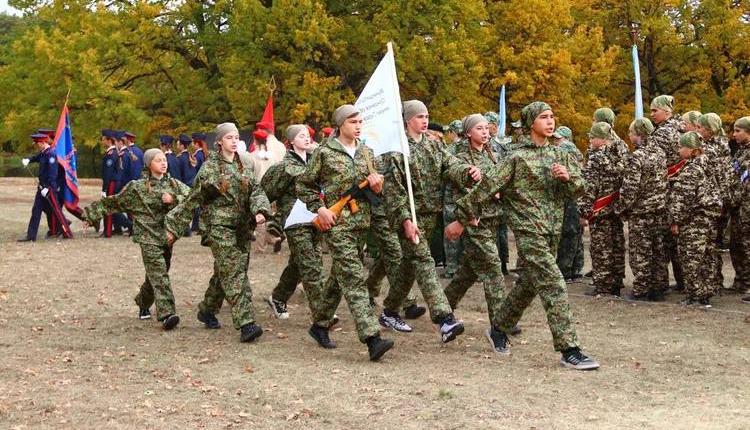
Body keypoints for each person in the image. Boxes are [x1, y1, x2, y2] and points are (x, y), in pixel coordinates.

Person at [446, 101, 599, 370]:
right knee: (553, 283)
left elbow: (579, 189)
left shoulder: (560, 154)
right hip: (528, 232)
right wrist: (461, 219)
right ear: (531, 124)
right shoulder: (516, 157)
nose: (550, 122)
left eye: (552, 116)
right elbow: (486, 188)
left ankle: (499, 328)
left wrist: (569, 179)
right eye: (544, 117)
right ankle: (569, 348)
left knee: (529, 283)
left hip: (553, 230)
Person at [296, 104, 394, 361]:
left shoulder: (367, 152)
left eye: (360, 121)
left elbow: (378, 190)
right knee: (353, 277)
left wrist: (377, 186)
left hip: (362, 223)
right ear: (340, 125)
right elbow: (304, 185)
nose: (358, 126)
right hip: (337, 224)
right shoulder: (325, 153)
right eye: (353, 122)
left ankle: (319, 325)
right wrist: (320, 209)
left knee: (339, 276)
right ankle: (372, 338)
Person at [378, 100, 478, 341]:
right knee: (424, 261)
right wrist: (404, 220)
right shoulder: (396, 151)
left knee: (409, 266)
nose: (424, 120)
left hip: (429, 214)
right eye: (419, 116)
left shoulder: (433, 146)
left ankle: (390, 311)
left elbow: (450, 165)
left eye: (426, 116)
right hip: (409, 218)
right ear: (407, 120)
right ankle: (444, 320)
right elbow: (394, 191)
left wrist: (466, 171)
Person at [165, 122, 271, 343]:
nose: (234, 141)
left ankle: (207, 309)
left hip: (241, 227)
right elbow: (194, 199)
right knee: (234, 271)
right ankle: (246, 323)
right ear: (219, 141)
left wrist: (260, 210)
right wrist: (174, 227)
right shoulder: (210, 168)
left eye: (235, 137)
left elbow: (256, 190)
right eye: (229, 137)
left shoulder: (243, 166)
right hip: (218, 227)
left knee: (227, 270)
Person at [83, 149, 190, 329]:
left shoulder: (174, 184)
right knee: (159, 274)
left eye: (164, 160)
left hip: (167, 235)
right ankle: (167, 314)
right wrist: (90, 214)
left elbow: (192, 198)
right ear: (149, 164)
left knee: (157, 274)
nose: (163, 163)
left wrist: (174, 198)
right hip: (147, 237)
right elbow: (115, 201)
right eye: (158, 160)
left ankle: (142, 302)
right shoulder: (137, 187)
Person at [442, 114, 514, 339]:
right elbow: (459, 185)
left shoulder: (492, 152)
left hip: (493, 217)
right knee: (493, 266)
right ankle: (500, 324)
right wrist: (467, 217)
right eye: (479, 129)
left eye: (486, 128)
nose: (485, 132)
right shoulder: (459, 154)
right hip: (474, 219)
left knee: (469, 271)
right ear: (468, 132)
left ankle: (442, 307)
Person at [261, 125, 327, 325]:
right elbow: (265, 193)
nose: (307, 139)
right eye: (301, 136)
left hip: (315, 220)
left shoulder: (315, 163)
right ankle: (323, 314)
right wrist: (267, 216)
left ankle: (279, 297)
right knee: (311, 266)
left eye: (308, 136)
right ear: (291, 141)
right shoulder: (283, 168)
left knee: (299, 264)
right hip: (294, 222)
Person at [614, 118, 669, 300]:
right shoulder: (661, 153)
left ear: (639, 135)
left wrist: (621, 208)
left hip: (641, 212)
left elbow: (630, 188)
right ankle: (658, 287)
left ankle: (641, 289)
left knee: (641, 252)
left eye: (630, 133)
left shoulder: (637, 157)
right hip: (659, 210)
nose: (629, 137)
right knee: (658, 250)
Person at [668, 132, 722, 308]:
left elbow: (683, 199)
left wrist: (675, 220)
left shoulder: (691, 169)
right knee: (706, 257)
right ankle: (705, 292)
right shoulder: (708, 164)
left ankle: (694, 296)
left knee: (690, 258)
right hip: (708, 219)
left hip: (693, 221)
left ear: (692, 150)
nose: (678, 150)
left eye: (681, 147)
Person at [579, 122, 625, 296]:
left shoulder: (596, 157)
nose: (590, 140)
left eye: (592, 137)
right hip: (614, 208)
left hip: (600, 209)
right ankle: (616, 281)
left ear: (603, 139)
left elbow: (589, 186)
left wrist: (583, 211)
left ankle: (603, 285)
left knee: (601, 248)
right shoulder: (619, 154)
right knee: (616, 244)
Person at [650, 95, 685, 291]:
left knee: (665, 240)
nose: (652, 114)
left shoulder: (663, 133)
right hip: (679, 190)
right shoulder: (682, 128)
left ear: (667, 111)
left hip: (667, 190)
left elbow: (655, 163)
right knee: (677, 240)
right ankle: (683, 282)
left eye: (655, 110)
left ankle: (661, 284)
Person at [696, 113, 733, 292]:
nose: (698, 131)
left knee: (709, 245)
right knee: (713, 244)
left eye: (700, 128)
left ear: (709, 130)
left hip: (713, 201)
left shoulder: (710, 149)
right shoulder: (721, 144)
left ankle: (711, 282)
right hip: (720, 199)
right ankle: (714, 281)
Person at [18, 133, 66, 241]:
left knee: (55, 210)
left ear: (43, 142)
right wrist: (28, 160)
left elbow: (53, 174)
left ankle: (65, 226)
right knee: (37, 210)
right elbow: (36, 157)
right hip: (41, 187)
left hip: (49, 188)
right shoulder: (44, 153)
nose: (36, 146)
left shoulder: (51, 154)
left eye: (37, 143)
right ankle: (31, 236)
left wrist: (48, 188)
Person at [553, 126, 585, 282]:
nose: (556, 141)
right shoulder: (577, 151)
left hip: (569, 196)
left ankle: (565, 270)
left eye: (558, 138)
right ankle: (576, 269)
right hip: (577, 195)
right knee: (576, 235)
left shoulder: (565, 149)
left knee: (567, 234)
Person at [729, 117, 750, 303]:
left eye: (738, 131)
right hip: (738, 208)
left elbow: (745, 184)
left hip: (746, 207)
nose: (734, 134)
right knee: (737, 246)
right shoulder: (741, 151)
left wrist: (732, 199)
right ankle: (742, 282)